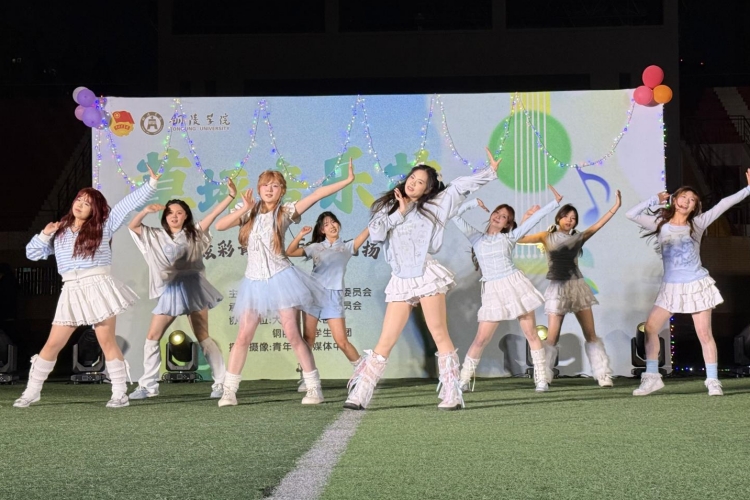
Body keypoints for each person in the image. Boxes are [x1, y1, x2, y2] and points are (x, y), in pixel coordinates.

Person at [344, 148, 500, 412]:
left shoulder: (434, 206)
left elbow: (459, 187)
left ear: (428, 189)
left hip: (425, 274)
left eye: (420, 182)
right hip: (401, 278)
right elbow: (377, 235)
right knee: (386, 340)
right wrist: (400, 212)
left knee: (438, 332)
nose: (413, 184)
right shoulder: (388, 206)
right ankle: (361, 392)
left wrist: (489, 172)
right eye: (412, 179)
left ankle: (451, 393)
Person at [214, 160, 356, 406]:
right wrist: (244, 207)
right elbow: (220, 225)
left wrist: (347, 180)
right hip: (254, 281)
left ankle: (314, 388)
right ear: (259, 188)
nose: (270, 189)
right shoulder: (248, 211)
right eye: (265, 185)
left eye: (275, 186)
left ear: (282, 191)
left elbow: (317, 195)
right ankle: (229, 391)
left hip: (281, 278)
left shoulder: (285, 211)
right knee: (243, 336)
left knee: (293, 335)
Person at [15, 167, 160, 408]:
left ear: (95, 210)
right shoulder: (60, 230)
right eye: (79, 200)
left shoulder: (103, 226)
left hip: (98, 286)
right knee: (53, 344)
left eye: (87, 203)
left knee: (106, 341)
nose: (80, 205)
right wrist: (44, 234)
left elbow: (125, 205)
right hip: (71, 289)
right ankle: (32, 391)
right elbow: (32, 254)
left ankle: (119, 393)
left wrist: (151, 184)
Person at [626, 170, 750, 396]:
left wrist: (748, 189)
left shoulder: (698, 224)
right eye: (684, 197)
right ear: (675, 200)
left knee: (704, 334)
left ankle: (713, 381)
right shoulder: (660, 224)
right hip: (670, 287)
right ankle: (652, 378)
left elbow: (723, 204)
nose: (687, 201)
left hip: (696, 284)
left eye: (692, 200)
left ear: (694, 207)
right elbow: (630, 214)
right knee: (651, 328)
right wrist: (654, 199)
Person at [127, 179, 238, 400]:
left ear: (186, 215)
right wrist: (145, 211)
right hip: (171, 290)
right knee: (152, 337)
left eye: (179, 212)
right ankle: (148, 386)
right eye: (170, 212)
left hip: (193, 287)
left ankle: (221, 383)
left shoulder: (194, 232)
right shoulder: (155, 235)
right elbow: (133, 226)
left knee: (202, 336)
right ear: (164, 216)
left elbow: (213, 216)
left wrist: (230, 196)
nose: (174, 216)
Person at [453, 185, 563, 393]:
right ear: (491, 215)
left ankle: (541, 379)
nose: (498, 217)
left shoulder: (509, 237)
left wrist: (554, 203)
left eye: (504, 217)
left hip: (514, 285)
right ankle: (463, 380)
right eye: (497, 212)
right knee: (481, 339)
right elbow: (454, 215)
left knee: (531, 334)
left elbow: (534, 220)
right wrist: (473, 203)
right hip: (492, 290)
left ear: (507, 224)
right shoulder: (475, 237)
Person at [517, 191, 621, 387]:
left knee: (590, 334)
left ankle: (603, 375)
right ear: (559, 218)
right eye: (566, 216)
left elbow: (598, 225)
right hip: (557, 288)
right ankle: (544, 377)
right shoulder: (546, 236)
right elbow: (519, 238)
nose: (569, 220)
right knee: (552, 337)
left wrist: (616, 206)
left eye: (573, 218)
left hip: (578, 287)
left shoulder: (578, 237)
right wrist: (526, 217)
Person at [286, 213, 369, 391]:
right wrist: (300, 235)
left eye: (333, 222)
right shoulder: (316, 247)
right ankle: (307, 378)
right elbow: (289, 252)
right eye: (326, 224)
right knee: (308, 339)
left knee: (342, 341)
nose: (331, 226)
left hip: (334, 296)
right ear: (322, 230)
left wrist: (378, 219)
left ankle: (364, 374)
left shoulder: (347, 246)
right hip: (313, 295)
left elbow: (367, 232)